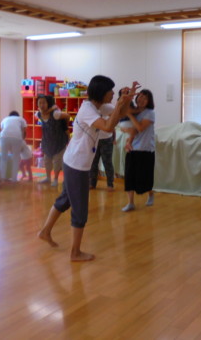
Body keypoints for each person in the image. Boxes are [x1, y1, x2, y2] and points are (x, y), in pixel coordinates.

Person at [37, 76, 138, 261]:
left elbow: (122, 113)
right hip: (77, 165)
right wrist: (119, 103)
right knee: (80, 209)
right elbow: (108, 126)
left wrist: (127, 98)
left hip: (74, 162)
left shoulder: (99, 107)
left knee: (65, 200)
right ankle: (75, 252)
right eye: (111, 91)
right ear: (101, 92)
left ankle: (45, 231)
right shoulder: (87, 110)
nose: (113, 93)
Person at [121, 89, 156, 212]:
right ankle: (130, 203)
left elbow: (140, 128)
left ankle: (150, 193)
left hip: (145, 149)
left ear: (149, 101)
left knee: (144, 177)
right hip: (133, 148)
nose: (141, 99)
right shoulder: (134, 111)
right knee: (129, 176)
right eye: (140, 96)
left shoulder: (150, 113)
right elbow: (127, 128)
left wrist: (130, 115)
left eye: (145, 98)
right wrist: (128, 139)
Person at [36, 94, 70, 187]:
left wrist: (65, 125)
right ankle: (48, 178)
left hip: (59, 141)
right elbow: (41, 112)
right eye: (39, 103)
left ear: (48, 103)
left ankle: (55, 179)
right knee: (47, 161)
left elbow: (67, 116)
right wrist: (50, 109)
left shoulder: (55, 114)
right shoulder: (39, 114)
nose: (41, 105)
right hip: (47, 142)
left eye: (44, 103)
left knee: (57, 162)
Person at [0, 110, 27, 184]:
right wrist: (22, 140)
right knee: (16, 159)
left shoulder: (5, 119)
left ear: (9, 116)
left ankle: (2, 179)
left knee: (3, 158)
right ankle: (14, 180)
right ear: (18, 115)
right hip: (17, 137)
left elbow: (2, 130)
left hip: (3, 137)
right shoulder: (21, 119)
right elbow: (24, 131)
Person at [89, 123, 116, 191]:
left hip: (107, 139)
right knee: (93, 163)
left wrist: (114, 138)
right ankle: (92, 183)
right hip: (95, 139)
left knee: (107, 163)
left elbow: (113, 126)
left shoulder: (108, 116)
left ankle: (110, 184)